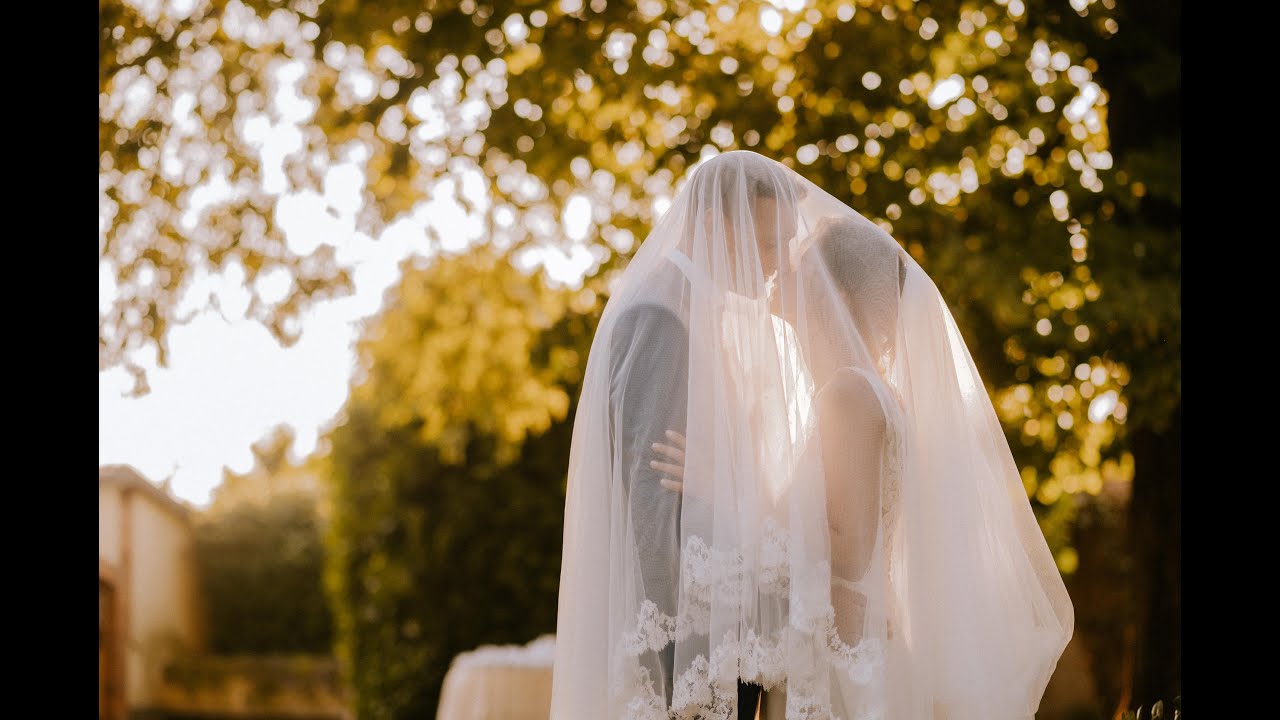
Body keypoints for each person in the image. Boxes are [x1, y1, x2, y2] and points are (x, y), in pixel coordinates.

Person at [551, 151, 1073, 720]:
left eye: (792, 259)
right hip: (754, 660)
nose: (777, 268)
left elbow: (845, 548)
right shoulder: (670, 320)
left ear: (837, 296)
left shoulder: (848, 394)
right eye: (772, 246)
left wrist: (728, 494)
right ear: (713, 225)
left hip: (829, 659)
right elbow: (659, 520)